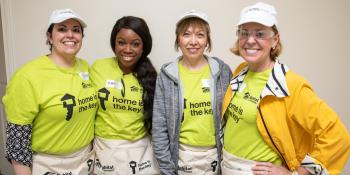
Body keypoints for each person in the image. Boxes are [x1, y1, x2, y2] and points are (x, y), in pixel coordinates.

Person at [221, 2, 350, 175]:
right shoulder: (239, 73)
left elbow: (338, 137)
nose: (250, 40)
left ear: (275, 39)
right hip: (226, 167)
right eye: (244, 33)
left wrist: (296, 174)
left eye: (260, 34)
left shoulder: (290, 85)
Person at [2, 9, 97, 175]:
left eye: (76, 30)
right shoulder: (27, 76)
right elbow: (17, 143)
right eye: (62, 29)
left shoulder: (86, 68)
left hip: (85, 161)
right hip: (48, 165)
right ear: (49, 37)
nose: (70, 35)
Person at [152, 10, 232, 175]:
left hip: (215, 157)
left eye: (200, 35)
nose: (193, 41)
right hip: (181, 157)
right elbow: (159, 128)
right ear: (178, 40)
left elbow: (231, 120)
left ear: (207, 40)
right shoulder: (167, 75)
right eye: (186, 34)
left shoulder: (222, 71)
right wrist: (167, 168)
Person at [90, 16, 159, 175]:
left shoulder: (153, 78)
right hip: (104, 151)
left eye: (135, 44)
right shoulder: (98, 68)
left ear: (144, 47)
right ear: (114, 43)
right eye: (121, 42)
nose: (128, 49)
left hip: (141, 154)